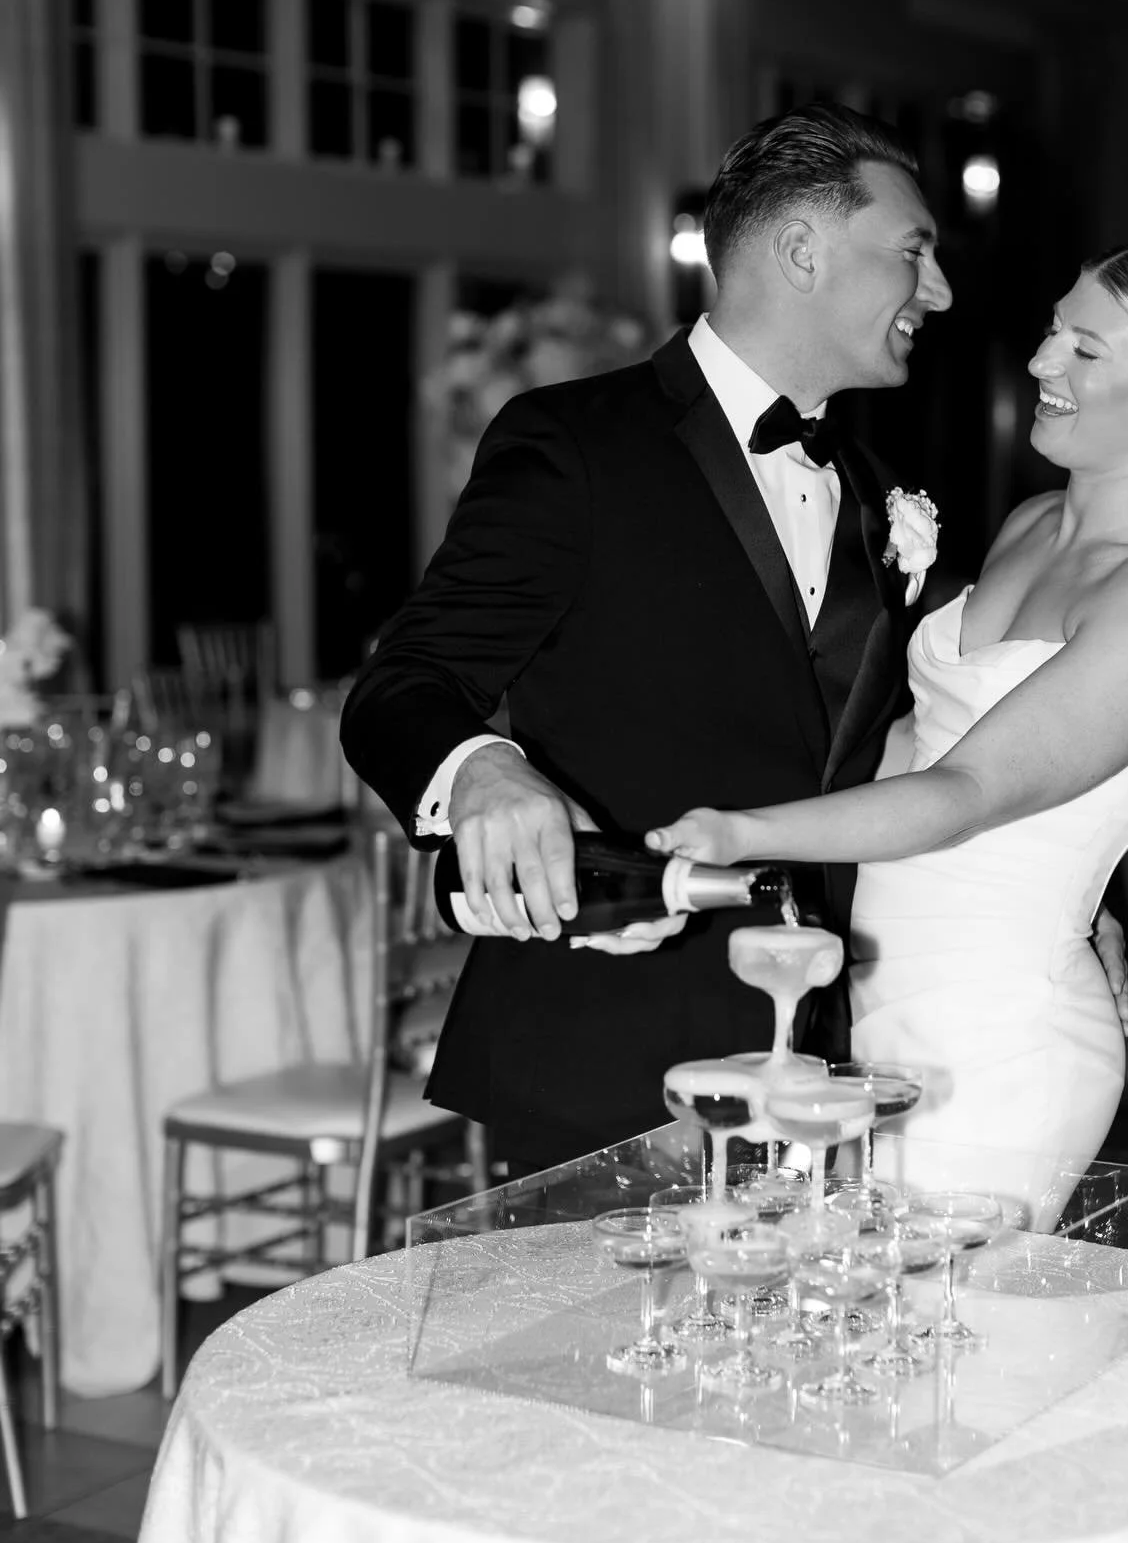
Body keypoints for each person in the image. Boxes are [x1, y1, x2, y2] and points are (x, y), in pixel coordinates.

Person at [648, 239, 1128, 1373]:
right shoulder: (1032, 526)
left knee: (935, 1364)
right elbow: (914, 738)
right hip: (875, 1001)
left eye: (1086, 348)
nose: (1042, 357)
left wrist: (741, 831)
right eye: (1056, 326)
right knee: (844, 1347)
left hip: (998, 1041)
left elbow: (965, 793)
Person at [340, 103, 954, 1175]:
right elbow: (406, 682)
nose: (938, 291)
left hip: (815, 1051)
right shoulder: (574, 444)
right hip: (606, 1052)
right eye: (913, 252)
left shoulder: (867, 488)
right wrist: (483, 771)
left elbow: (907, 748)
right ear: (802, 251)